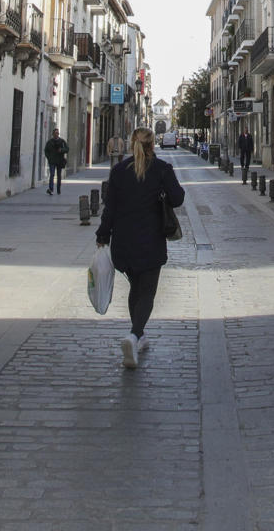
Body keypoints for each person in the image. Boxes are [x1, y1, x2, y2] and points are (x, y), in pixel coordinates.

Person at [96, 127, 186, 369]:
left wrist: (103, 234)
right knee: (147, 292)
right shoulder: (161, 169)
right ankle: (134, 335)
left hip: (123, 242)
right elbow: (178, 198)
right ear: (152, 145)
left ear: (131, 143)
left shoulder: (118, 171)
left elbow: (110, 208)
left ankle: (139, 334)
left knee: (136, 288)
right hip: (150, 240)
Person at [43, 128, 70, 194]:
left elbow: (67, 149)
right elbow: (46, 150)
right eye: (55, 133)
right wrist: (49, 158)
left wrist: (62, 150)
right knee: (52, 174)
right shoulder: (50, 142)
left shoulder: (62, 141)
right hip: (52, 161)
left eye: (57, 133)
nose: (56, 134)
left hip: (59, 161)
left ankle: (58, 189)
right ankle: (51, 189)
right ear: (53, 134)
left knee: (59, 176)